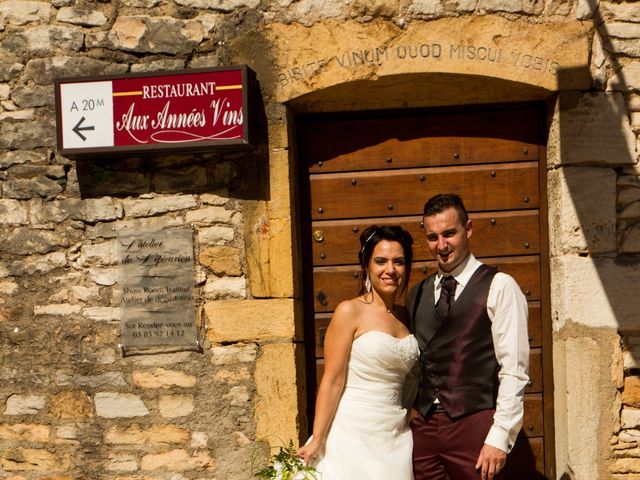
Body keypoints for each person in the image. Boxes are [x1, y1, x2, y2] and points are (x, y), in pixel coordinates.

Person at [407, 193, 529, 480]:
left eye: (449, 234)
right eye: (433, 237)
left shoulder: (500, 286)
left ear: (469, 229)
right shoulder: (417, 293)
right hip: (424, 430)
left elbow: (514, 369)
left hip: (474, 425)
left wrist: (499, 436)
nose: (442, 245)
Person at [297, 225, 420, 479]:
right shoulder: (349, 311)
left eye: (398, 262)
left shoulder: (404, 316)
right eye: (380, 261)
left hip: (396, 434)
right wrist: (317, 439)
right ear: (367, 266)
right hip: (353, 431)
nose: (390, 270)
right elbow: (332, 380)